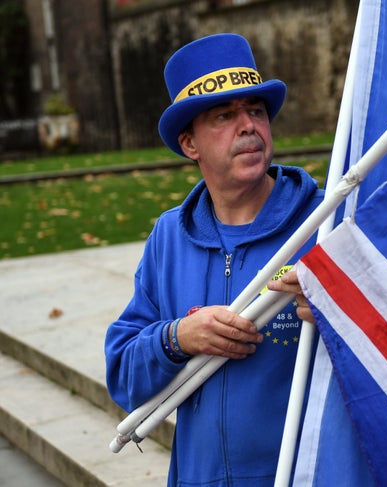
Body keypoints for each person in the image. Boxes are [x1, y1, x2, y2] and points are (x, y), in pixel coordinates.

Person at [104, 33, 323, 486]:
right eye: (224, 115)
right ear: (190, 144)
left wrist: (339, 305)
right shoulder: (169, 236)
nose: (248, 126)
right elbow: (124, 378)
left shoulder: (325, 221)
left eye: (256, 111)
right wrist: (176, 337)